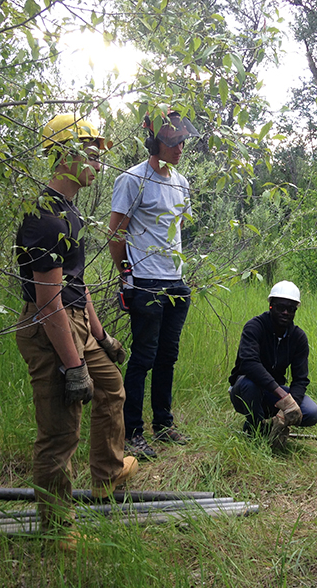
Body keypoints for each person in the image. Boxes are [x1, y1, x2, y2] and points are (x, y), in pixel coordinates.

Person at [15, 114, 138, 551]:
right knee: (60, 433)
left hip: (77, 324)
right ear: (63, 154)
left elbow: (75, 283)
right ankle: (56, 527)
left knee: (112, 387)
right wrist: (71, 366)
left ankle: (107, 475)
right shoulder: (45, 219)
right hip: (52, 331)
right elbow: (48, 303)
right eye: (90, 152)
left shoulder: (69, 212)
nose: (98, 162)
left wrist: (101, 337)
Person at [109, 109, 200, 459]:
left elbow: (176, 228)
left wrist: (180, 270)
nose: (179, 148)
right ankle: (133, 431)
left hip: (176, 282)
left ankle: (163, 423)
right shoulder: (133, 180)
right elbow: (116, 232)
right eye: (172, 141)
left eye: (182, 141)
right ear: (154, 141)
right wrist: (126, 275)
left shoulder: (180, 181)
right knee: (143, 357)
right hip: (145, 283)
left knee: (168, 357)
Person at [228, 281, 317, 446]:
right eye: (280, 307)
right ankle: (255, 430)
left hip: (273, 395)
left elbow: (300, 379)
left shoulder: (298, 338)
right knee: (251, 384)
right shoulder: (254, 327)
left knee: (312, 412)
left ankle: (273, 424)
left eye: (291, 309)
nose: (285, 312)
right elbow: (249, 364)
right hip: (243, 390)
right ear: (271, 306)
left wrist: (288, 410)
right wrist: (283, 397)